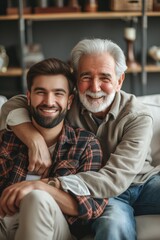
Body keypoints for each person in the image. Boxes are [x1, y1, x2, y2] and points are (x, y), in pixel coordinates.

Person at [1, 38, 160, 240]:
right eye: (86, 76)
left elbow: (115, 179)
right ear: (76, 79)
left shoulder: (137, 116)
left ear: (119, 81)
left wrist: (51, 184)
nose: (95, 87)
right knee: (113, 225)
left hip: (141, 182)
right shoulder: (66, 102)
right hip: (103, 195)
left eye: (105, 77)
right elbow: (11, 106)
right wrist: (34, 140)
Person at [0, 57, 108, 240]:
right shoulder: (7, 138)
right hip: (4, 220)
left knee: (36, 198)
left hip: (53, 224)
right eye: (41, 92)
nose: (49, 102)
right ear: (28, 97)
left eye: (58, 93)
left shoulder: (86, 144)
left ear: (69, 100)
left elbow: (92, 207)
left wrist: (37, 187)